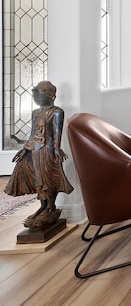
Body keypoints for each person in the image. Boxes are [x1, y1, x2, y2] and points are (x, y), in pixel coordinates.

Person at [4, 81, 74, 229]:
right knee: (38, 178)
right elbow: (32, 134)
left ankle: (50, 206)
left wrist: (56, 148)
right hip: (34, 150)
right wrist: (24, 149)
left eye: (39, 93)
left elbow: (57, 132)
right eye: (34, 93)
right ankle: (42, 206)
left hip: (47, 150)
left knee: (49, 178)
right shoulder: (36, 112)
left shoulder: (56, 111)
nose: (36, 96)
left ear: (50, 95)